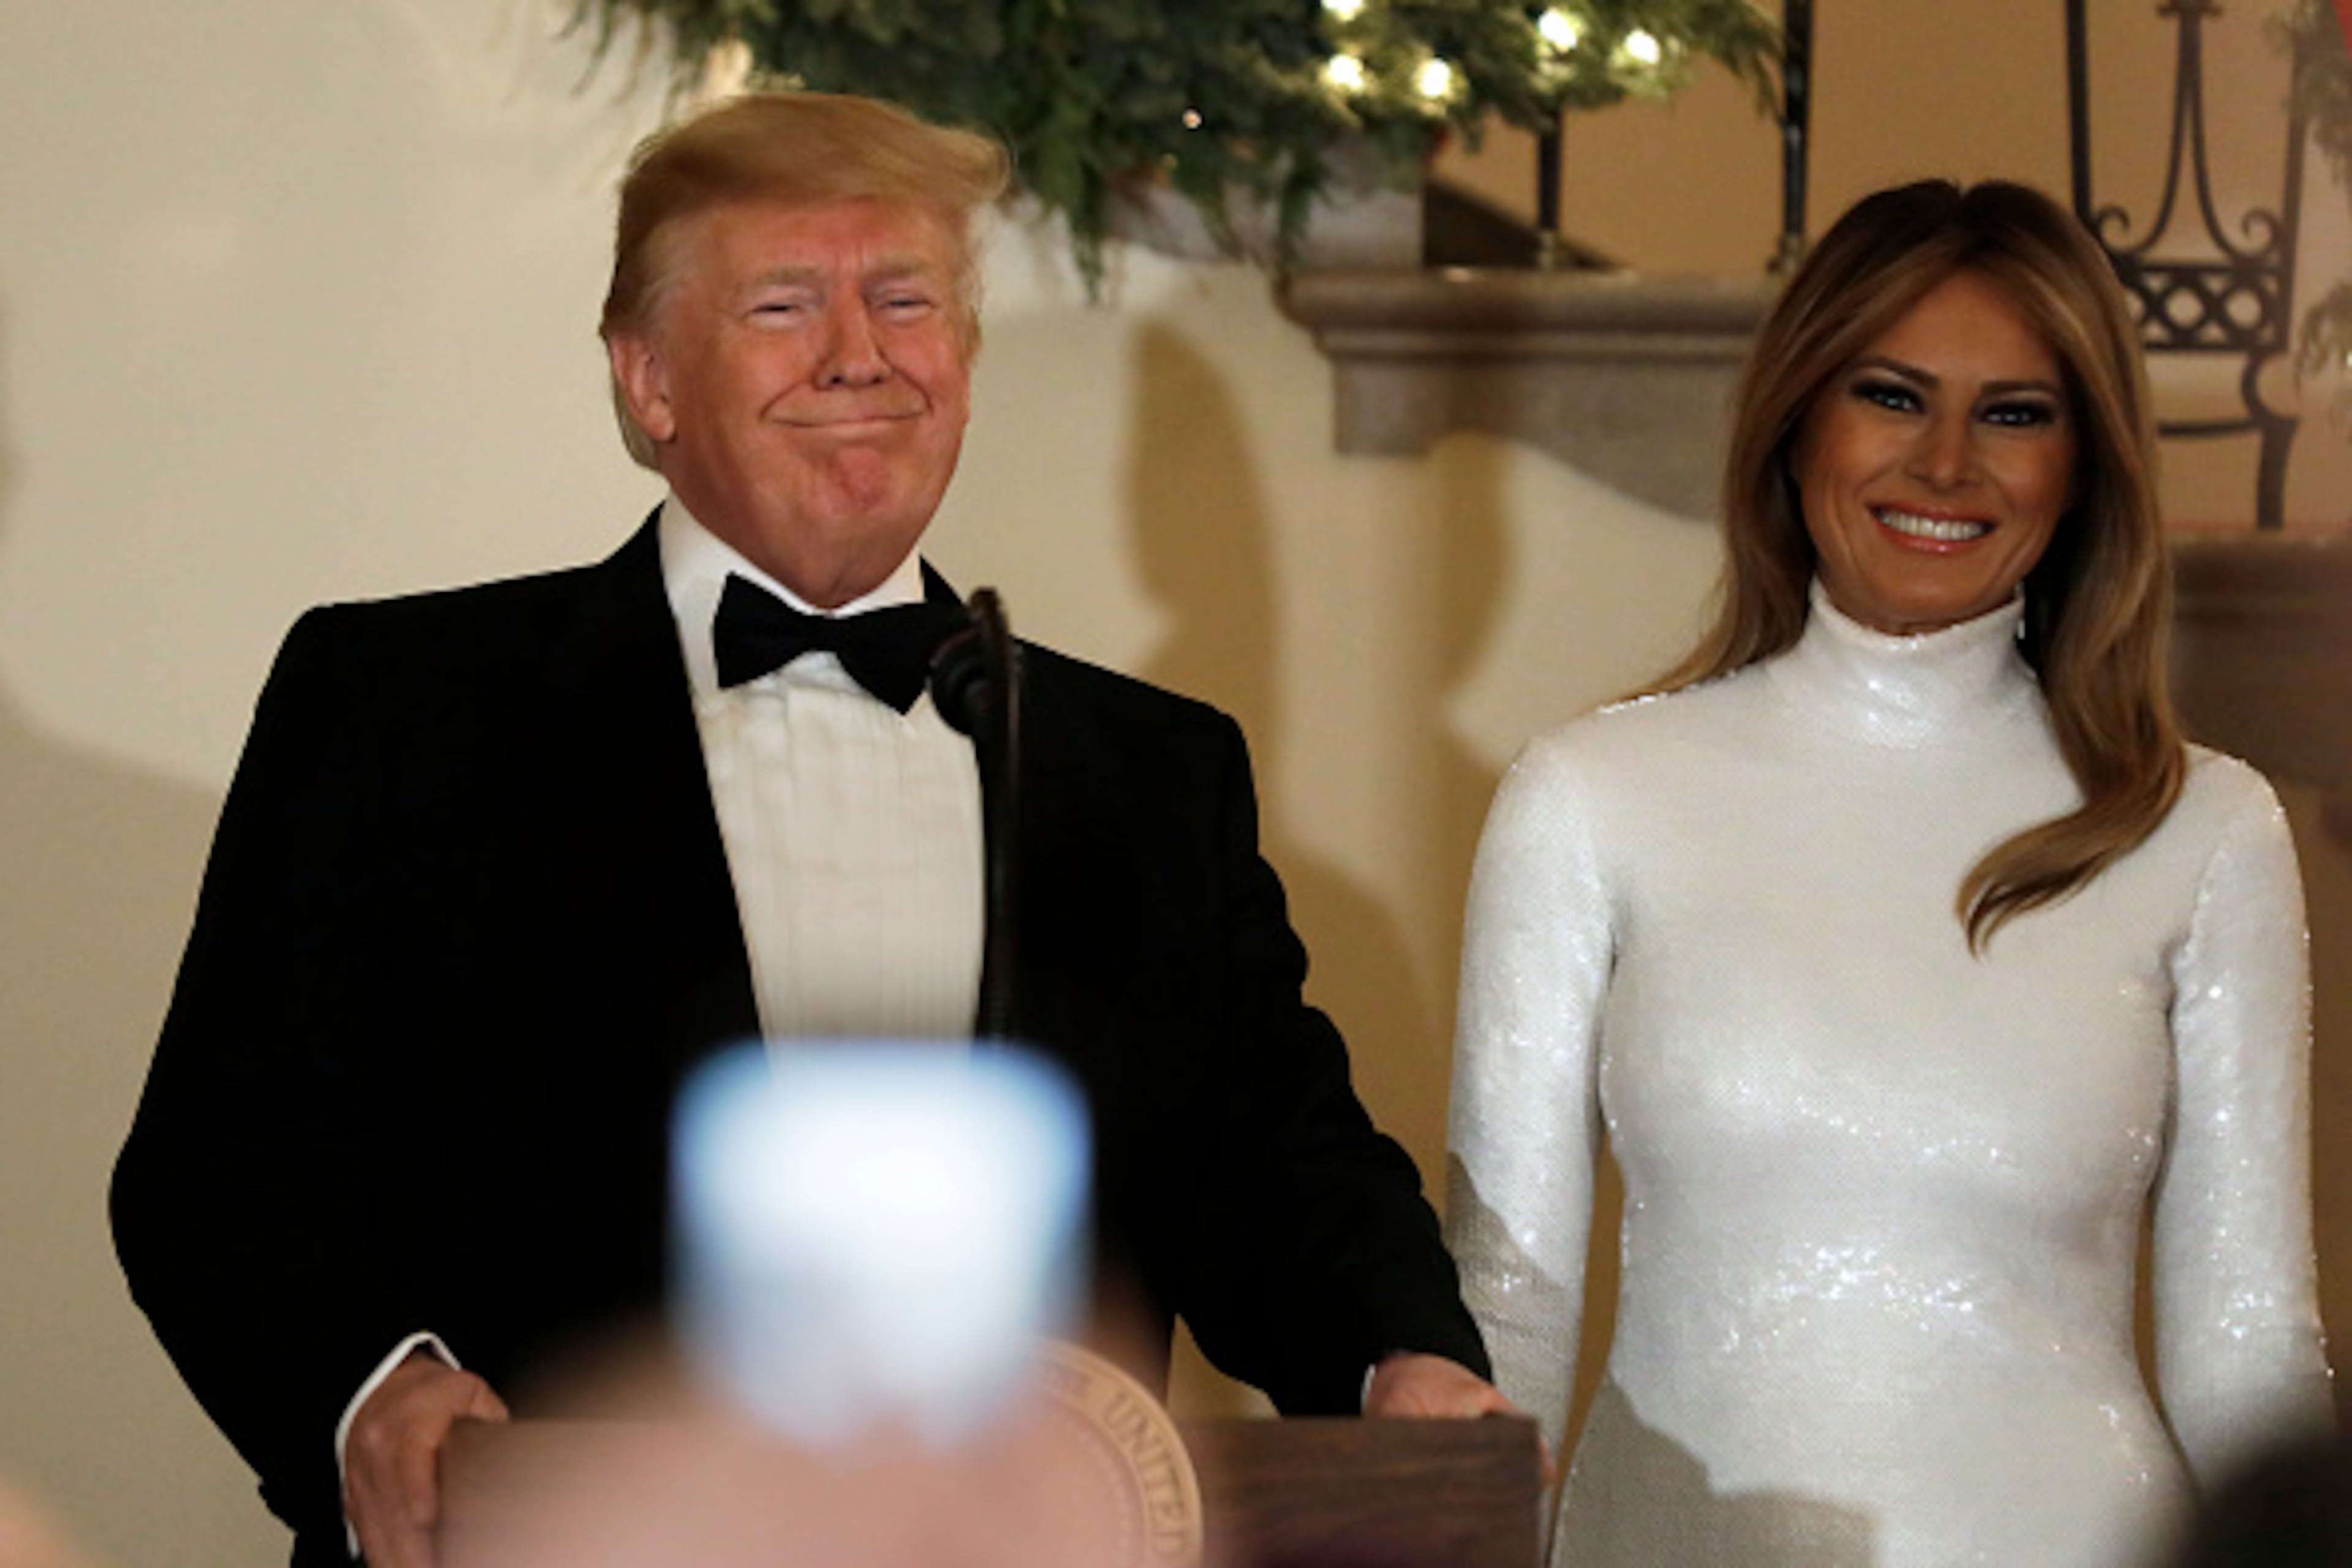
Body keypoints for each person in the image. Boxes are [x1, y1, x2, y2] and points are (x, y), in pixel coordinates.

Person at [111, 91, 1506, 1568]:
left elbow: (1280, 1167)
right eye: (786, 303)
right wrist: (373, 1391)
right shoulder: (401, 710)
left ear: (959, 359)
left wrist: (1394, 1359)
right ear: (647, 379)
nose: (860, 352)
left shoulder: (1154, 770)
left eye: (904, 298)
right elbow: (224, 1167)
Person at [1444, 178, 2335, 1568]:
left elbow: (2248, 1347)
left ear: (2084, 462)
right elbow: (1510, 1303)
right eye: (1894, 395)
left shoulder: (2205, 829)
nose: (1948, 466)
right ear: (1799, 415)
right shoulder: (1590, 796)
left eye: (2017, 413)